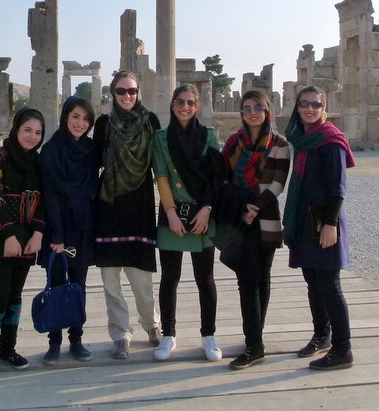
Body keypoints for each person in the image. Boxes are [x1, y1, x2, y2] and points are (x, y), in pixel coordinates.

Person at [282, 85, 356, 370]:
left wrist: (330, 224)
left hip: (324, 220)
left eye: (316, 104)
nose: (310, 109)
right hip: (305, 218)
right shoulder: (302, 139)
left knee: (329, 284)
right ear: (297, 107)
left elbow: (338, 188)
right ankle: (322, 335)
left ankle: (343, 349)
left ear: (324, 108)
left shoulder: (330, 139)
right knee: (312, 281)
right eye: (305, 104)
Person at [218, 90, 290, 371]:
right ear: (241, 113)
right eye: (247, 108)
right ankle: (254, 342)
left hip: (266, 215)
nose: (252, 113)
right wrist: (243, 206)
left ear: (266, 110)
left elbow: (277, 183)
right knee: (246, 279)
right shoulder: (233, 142)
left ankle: (254, 340)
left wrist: (254, 206)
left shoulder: (280, 143)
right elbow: (223, 178)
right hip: (240, 217)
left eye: (257, 107)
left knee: (262, 277)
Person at [151, 84, 223, 362]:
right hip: (172, 212)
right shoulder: (161, 138)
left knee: (205, 278)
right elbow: (161, 175)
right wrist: (170, 212)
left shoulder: (208, 135)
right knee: (170, 278)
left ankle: (208, 335)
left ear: (197, 106)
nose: (185, 107)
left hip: (202, 213)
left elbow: (215, 177)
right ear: (172, 105)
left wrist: (207, 209)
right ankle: (168, 334)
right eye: (180, 102)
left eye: (190, 102)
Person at [94, 71, 162, 359]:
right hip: (109, 206)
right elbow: (93, 163)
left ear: (138, 92)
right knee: (111, 281)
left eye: (131, 91)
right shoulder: (103, 124)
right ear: (113, 93)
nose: (126, 96)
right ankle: (120, 333)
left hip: (140, 205)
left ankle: (152, 324)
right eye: (121, 91)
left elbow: (161, 165)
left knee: (141, 278)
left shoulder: (150, 122)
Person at [0, 107, 45, 378]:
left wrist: (38, 234)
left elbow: (42, 201)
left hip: (26, 237)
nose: (32, 137)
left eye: (37, 132)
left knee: (15, 298)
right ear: (16, 129)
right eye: (27, 130)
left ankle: (8, 350)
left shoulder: (37, 162)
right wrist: (9, 236)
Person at [36, 96, 97, 365]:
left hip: (83, 226)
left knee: (79, 284)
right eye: (75, 117)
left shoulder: (91, 149)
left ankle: (76, 339)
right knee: (57, 283)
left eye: (86, 119)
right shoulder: (51, 150)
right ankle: (54, 341)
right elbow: (49, 195)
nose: (80, 123)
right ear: (65, 117)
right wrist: (57, 237)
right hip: (57, 228)